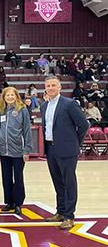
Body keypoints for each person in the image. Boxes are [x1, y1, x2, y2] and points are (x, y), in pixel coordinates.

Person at [40, 76, 90, 229]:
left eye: (54, 85)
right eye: (48, 85)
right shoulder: (44, 106)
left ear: (60, 87)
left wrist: (75, 142)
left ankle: (69, 216)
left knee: (69, 182)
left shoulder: (69, 104)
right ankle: (60, 211)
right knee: (58, 182)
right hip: (51, 148)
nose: (50, 88)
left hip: (67, 149)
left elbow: (83, 125)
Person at [0, 87, 32, 215]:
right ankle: (9, 202)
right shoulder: (0, 110)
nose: (10, 97)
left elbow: (27, 130)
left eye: (12, 95)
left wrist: (27, 149)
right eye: (7, 95)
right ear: (4, 97)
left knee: (18, 178)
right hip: (4, 150)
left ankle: (18, 203)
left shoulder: (22, 110)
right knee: (6, 177)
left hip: (18, 150)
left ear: (16, 96)